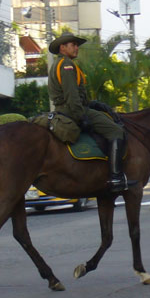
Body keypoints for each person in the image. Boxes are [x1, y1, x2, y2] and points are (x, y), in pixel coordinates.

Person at [47, 33, 135, 192]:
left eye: (76, 45)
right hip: (71, 110)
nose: (76, 48)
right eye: (72, 45)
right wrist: (82, 117)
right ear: (62, 47)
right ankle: (116, 177)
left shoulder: (60, 63)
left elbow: (76, 95)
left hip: (69, 107)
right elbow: (72, 97)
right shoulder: (66, 65)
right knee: (116, 131)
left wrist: (96, 104)